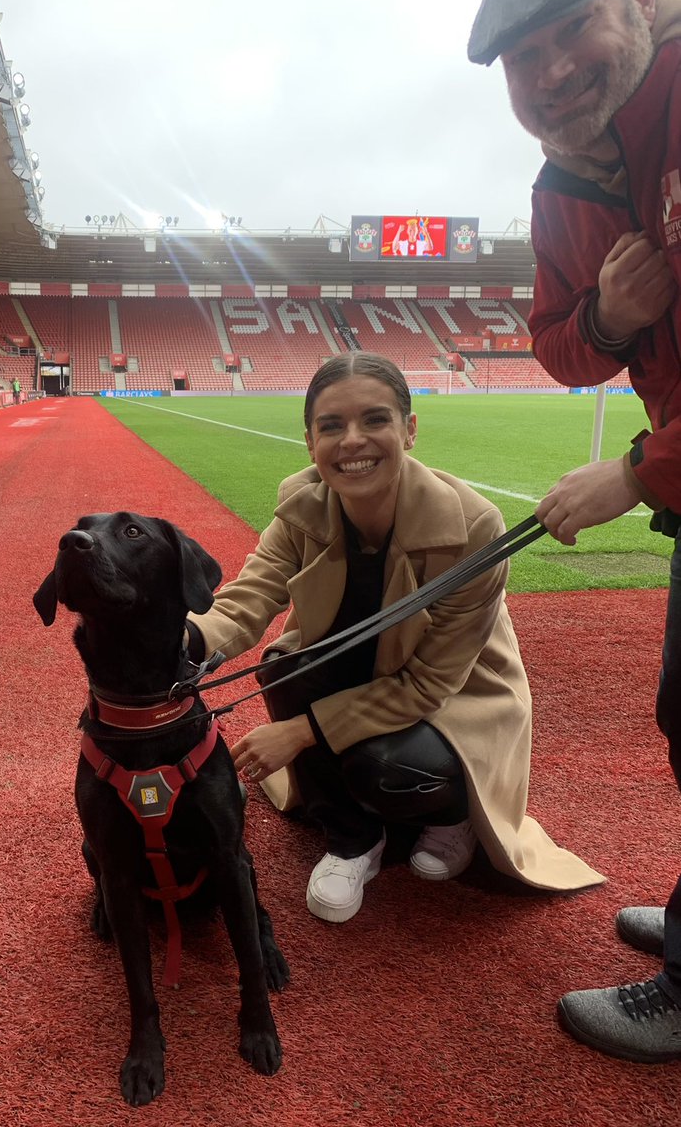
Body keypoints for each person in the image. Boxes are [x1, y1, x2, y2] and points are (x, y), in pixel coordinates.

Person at [469, 0, 681, 1061]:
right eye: (523, 60)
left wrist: (636, 474)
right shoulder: (562, 186)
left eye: (574, 33)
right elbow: (559, 343)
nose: (550, 73)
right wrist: (610, 319)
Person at [187, 352, 602, 927]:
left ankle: (455, 815)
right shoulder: (300, 503)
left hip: (456, 698)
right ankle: (354, 839)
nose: (352, 441)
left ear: (409, 429)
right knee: (284, 667)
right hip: (365, 674)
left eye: (375, 420)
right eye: (331, 426)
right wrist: (183, 638)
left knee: (388, 770)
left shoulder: (473, 525)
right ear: (310, 443)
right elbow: (246, 600)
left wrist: (299, 733)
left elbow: (430, 681)